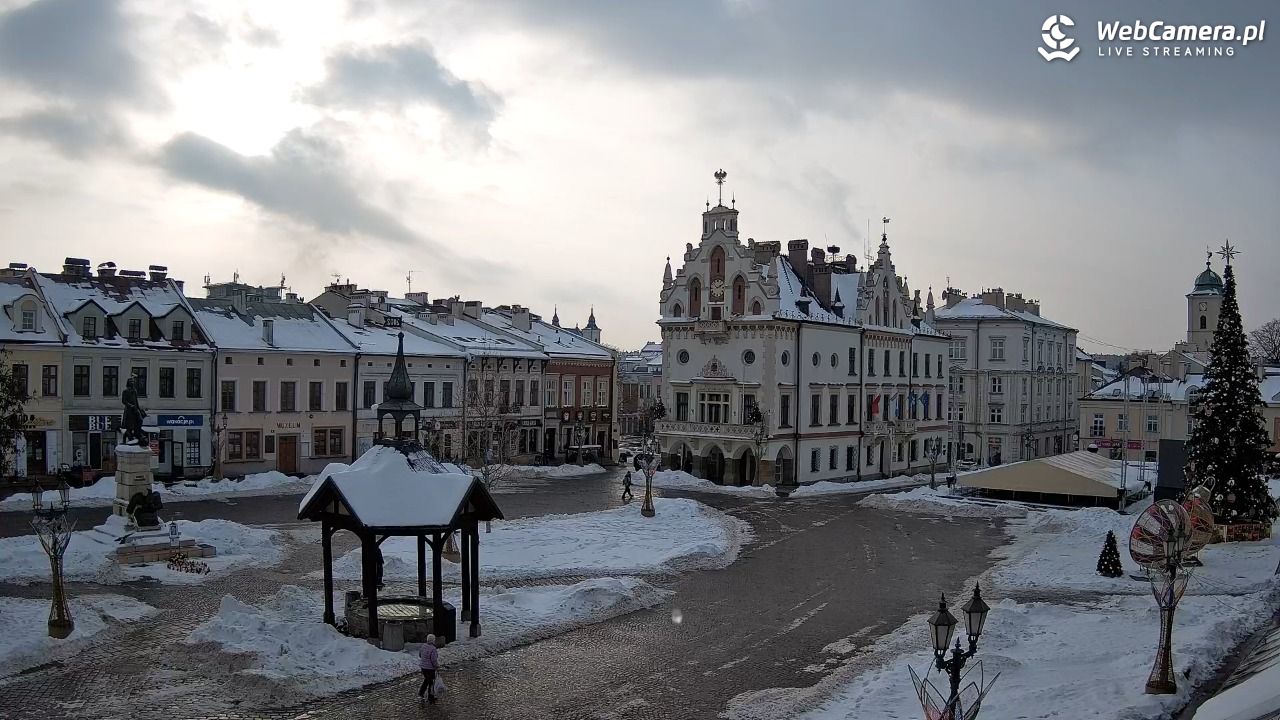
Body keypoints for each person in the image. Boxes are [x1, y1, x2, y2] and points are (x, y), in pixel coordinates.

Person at [418, 634, 440, 703]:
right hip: (430, 669)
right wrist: (436, 666)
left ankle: (422, 694)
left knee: (427, 680)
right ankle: (430, 696)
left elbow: (420, 655)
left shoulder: (423, 646)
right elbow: (433, 660)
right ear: (433, 640)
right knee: (431, 682)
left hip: (423, 668)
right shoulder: (433, 649)